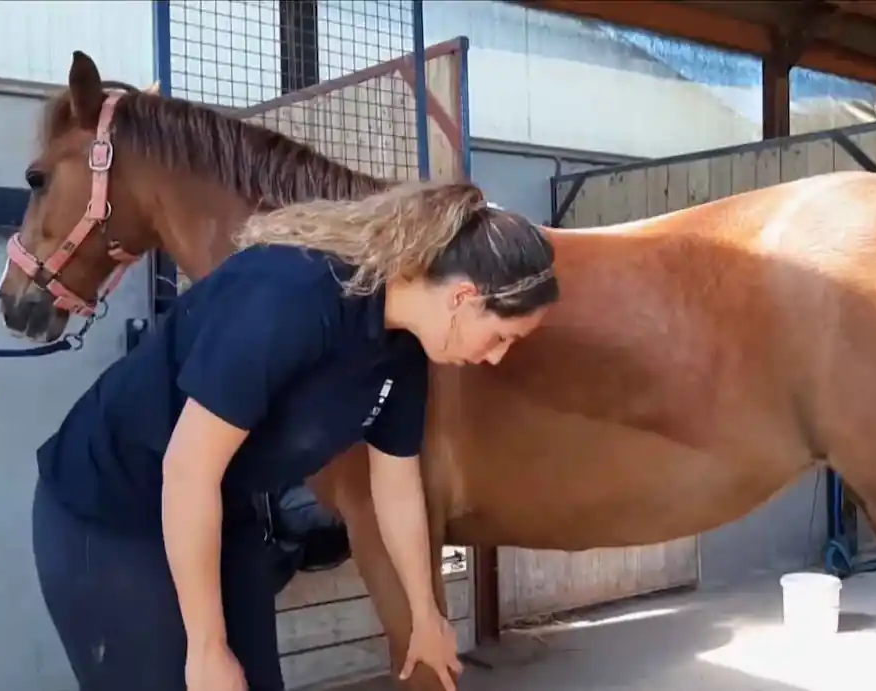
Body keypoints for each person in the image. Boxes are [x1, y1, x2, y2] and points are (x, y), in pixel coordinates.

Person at [30, 180, 560, 691]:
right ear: (464, 296)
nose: (495, 357)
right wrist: (208, 647)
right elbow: (189, 469)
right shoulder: (292, 300)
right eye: (501, 337)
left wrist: (425, 614)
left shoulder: (403, 350)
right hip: (108, 508)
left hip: (218, 508)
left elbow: (395, 487)